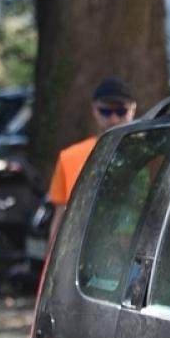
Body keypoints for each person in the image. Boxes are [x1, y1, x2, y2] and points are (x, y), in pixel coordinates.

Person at [45, 77, 138, 256]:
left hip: (131, 255)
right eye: (106, 111)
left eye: (121, 110)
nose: (113, 118)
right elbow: (60, 217)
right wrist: (50, 262)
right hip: (81, 255)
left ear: (133, 109)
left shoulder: (150, 154)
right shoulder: (70, 157)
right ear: (94, 110)